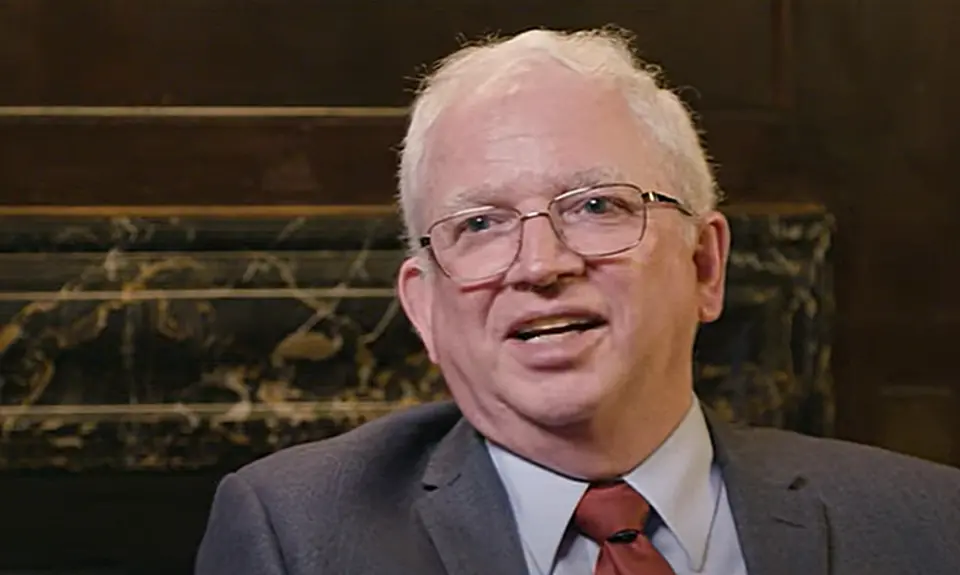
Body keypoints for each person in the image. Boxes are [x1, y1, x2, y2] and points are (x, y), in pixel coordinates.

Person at [195, 28, 960, 575]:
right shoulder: (297, 538)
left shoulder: (927, 527)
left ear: (704, 264)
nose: (540, 265)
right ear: (425, 310)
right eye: (480, 224)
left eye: (596, 206)